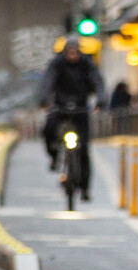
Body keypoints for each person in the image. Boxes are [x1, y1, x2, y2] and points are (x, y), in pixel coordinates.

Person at [39, 41, 102, 179]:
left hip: (80, 108)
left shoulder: (87, 64)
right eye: (70, 52)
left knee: (84, 148)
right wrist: (44, 99)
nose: (73, 56)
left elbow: (97, 81)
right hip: (60, 107)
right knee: (48, 131)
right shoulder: (57, 64)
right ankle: (54, 156)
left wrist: (101, 100)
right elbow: (48, 81)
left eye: (75, 52)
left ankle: (84, 186)